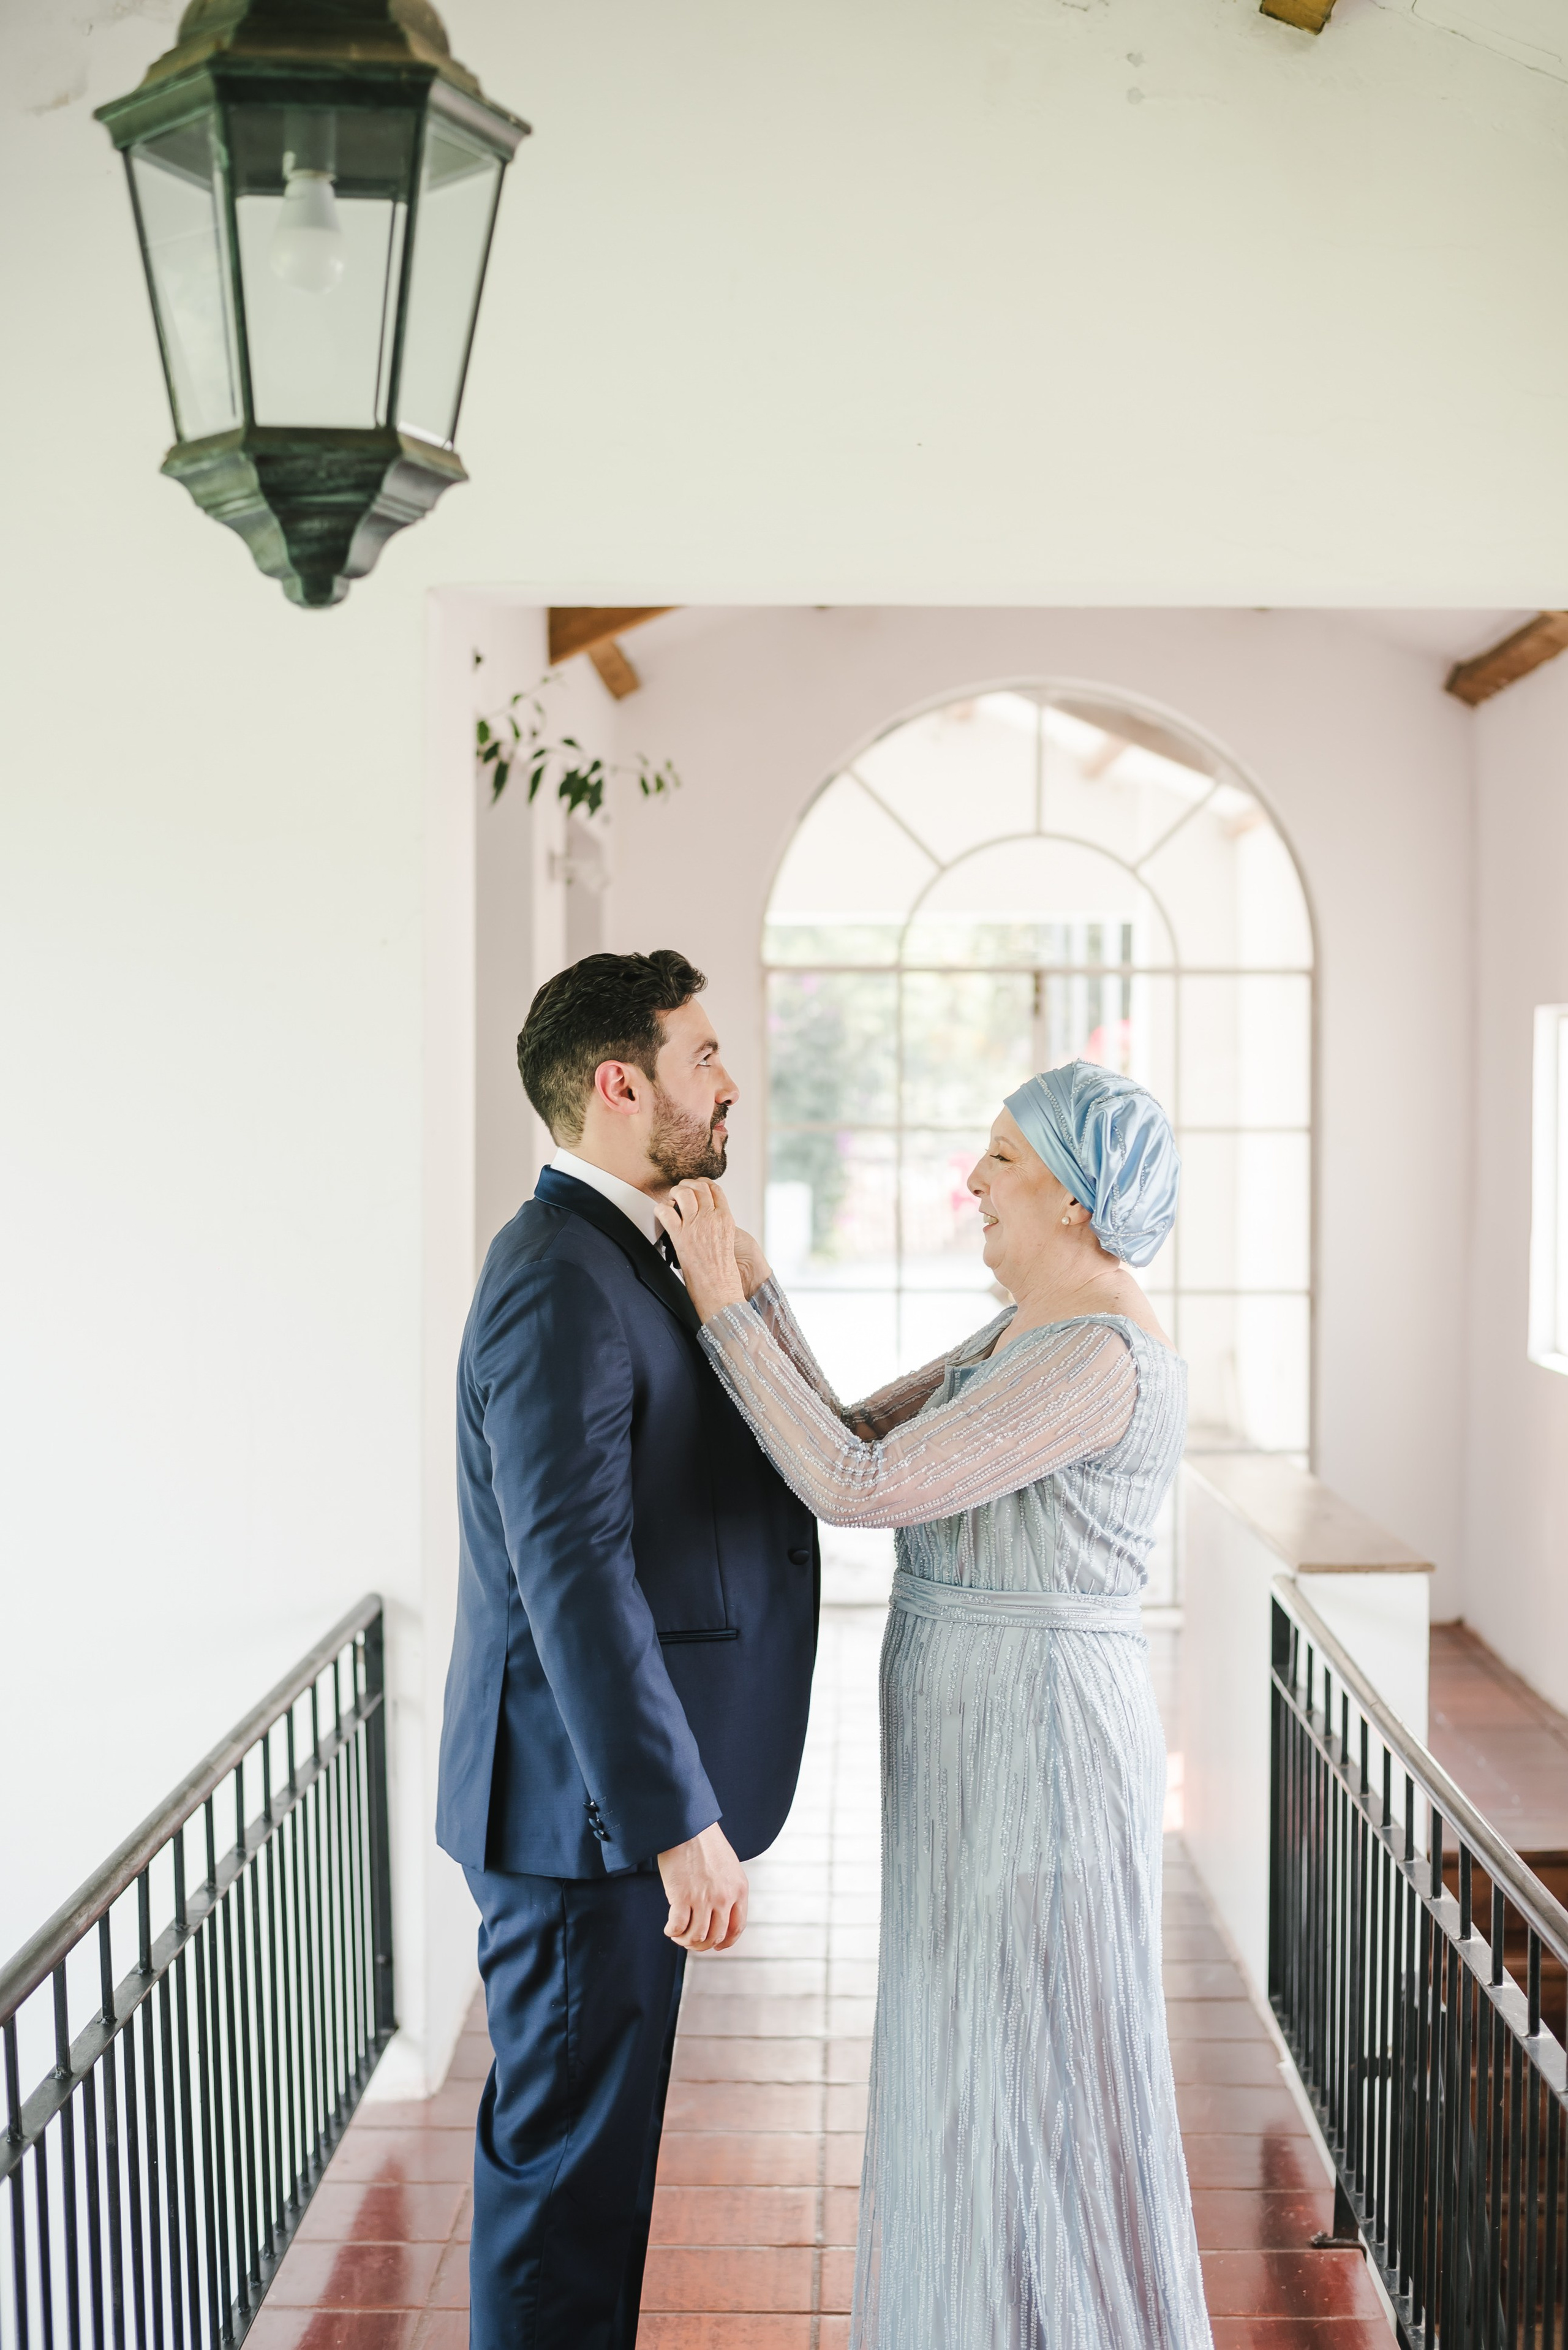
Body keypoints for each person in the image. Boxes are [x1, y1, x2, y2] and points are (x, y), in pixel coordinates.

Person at [658, 1059, 1213, 2350]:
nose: (973, 1179)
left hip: (1043, 1743)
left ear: (1075, 1196)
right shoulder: (1029, 1327)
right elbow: (857, 1431)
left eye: (1003, 1157)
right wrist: (750, 1287)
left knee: (1031, 2067)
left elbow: (855, 1487)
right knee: (970, 2054)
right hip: (978, 1737)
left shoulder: (1099, 1356)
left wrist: (719, 1301)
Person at [435, 950, 820, 2350]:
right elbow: (573, 1577)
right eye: (700, 1056)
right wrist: (671, 1821)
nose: (727, 1082)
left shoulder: (621, 1250)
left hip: (592, 1809)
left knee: (590, 2187)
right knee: (563, 2195)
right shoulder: (557, 1276)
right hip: (577, 1815)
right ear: (618, 1084)